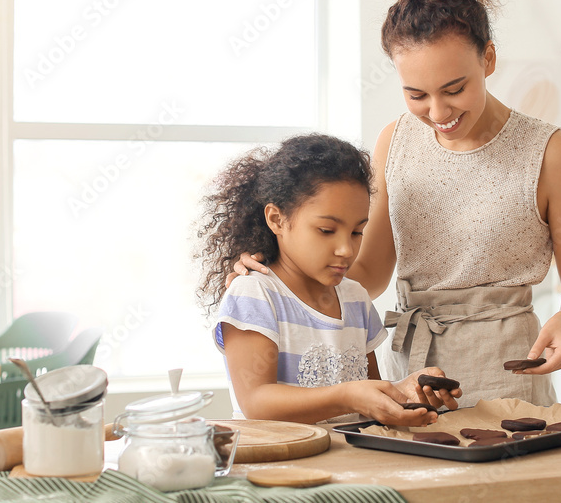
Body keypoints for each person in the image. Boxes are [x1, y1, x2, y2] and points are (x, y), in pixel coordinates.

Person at [231, 0, 561, 407]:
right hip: (416, 374)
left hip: (511, 368)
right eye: (416, 95)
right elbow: (367, 271)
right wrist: (271, 281)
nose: (438, 112)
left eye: (454, 89)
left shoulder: (549, 152)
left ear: (488, 59)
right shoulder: (396, 141)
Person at [197, 133, 461, 425]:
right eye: (326, 230)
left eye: (357, 232)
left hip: (348, 464)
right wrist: (346, 396)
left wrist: (402, 394)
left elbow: (367, 400)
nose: (346, 250)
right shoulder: (255, 294)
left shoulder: (356, 298)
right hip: (278, 466)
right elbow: (256, 403)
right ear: (276, 219)